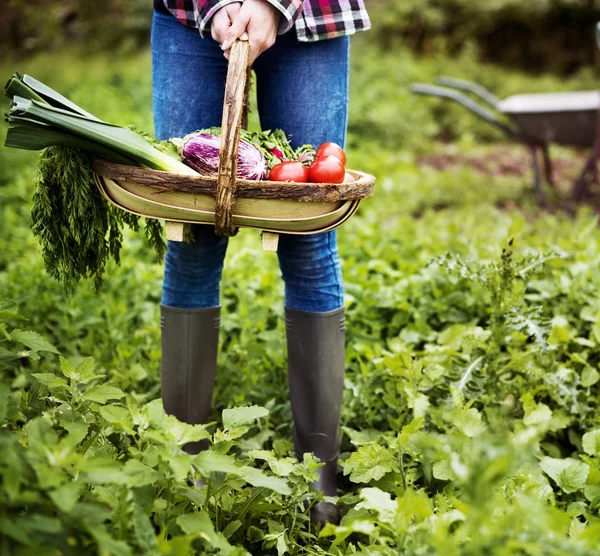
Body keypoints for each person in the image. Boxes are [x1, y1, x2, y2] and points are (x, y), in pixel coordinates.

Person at [151, 0, 370, 524]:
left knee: (309, 232)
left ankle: (319, 485)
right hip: (191, 15)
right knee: (193, 232)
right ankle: (182, 471)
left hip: (311, 15)